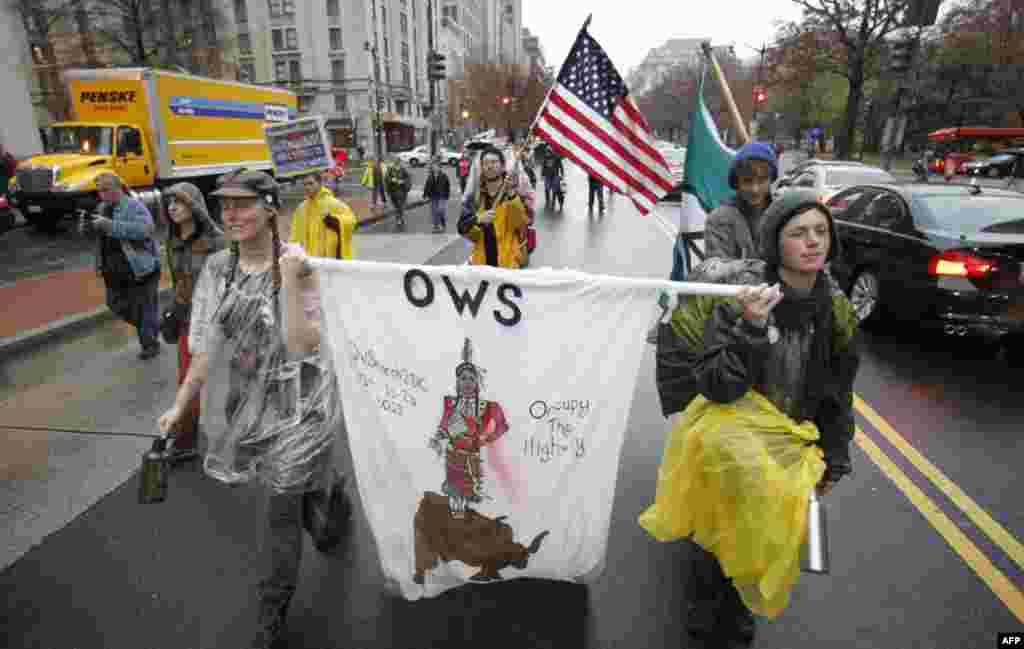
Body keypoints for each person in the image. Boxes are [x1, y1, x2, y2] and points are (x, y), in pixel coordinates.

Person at [641, 189, 860, 648]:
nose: (813, 242)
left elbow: (837, 392)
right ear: (775, 242)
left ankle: (737, 613)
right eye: (799, 233)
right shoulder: (741, 298)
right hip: (728, 443)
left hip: (788, 444)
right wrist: (751, 329)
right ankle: (705, 620)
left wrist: (834, 455)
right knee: (718, 537)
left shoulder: (836, 308)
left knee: (761, 537)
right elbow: (718, 384)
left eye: (821, 232)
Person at [157, 169, 351, 649]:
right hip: (253, 405)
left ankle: (272, 610)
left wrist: (288, 283)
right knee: (294, 493)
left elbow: (305, 345)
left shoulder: (298, 265)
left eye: (244, 204)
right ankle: (329, 503)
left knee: (278, 508)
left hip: (303, 406)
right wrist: (181, 404)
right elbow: (205, 344)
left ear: (269, 208)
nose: (232, 214)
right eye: (226, 205)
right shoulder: (219, 270)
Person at [163, 182, 225, 463]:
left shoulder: (216, 241)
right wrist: (172, 312)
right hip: (188, 322)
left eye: (179, 202)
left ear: (194, 205)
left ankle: (238, 439)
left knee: (228, 381)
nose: (172, 207)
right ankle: (186, 441)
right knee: (187, 381)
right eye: (169, 203)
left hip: (216, 321)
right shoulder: (172, 240)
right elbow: (179, 282)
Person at [81, 172, 162, 359]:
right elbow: (100, 239)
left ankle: (150, 344)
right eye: (99, 190)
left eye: (106, 190)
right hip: (113, 269)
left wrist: (110, 225)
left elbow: (146, 230)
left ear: (118, 188)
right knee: (115, 303)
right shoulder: (102, 207)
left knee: (145, 307)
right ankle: (152, 326)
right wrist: (87, 228)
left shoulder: (133, 206)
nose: (102, 194)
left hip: (141, 268)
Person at [458, 146, 529, 268]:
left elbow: (521, 226)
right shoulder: (475, 198)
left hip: (507, 267)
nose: (489, 166)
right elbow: (464, 231)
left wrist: (511, 194)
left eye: (494, 162)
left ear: (502, 166)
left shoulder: (514, 195)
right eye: (485, 163)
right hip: (482, 267)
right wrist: (478, 220)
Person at [704, 142, 779, 260]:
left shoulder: (783, 214)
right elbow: (717, 271)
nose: (755, 189)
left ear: (771, 179)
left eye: (762, 180)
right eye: (747, 181)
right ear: (736, 182)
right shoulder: (719, 220)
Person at [289, 172, 357, 260]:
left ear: (320, 183)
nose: (307, 187)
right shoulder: (301, 208)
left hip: (329, 258)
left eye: (311, 183)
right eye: (305, 184)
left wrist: (334, 220)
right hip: (309, 259)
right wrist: (291, 250)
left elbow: (351, 221)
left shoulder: (332, 203)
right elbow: (295, 232)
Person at [423, 158, 452, 233]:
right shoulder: (430, 176)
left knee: (440, 210)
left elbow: (447, 186)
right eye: (433, 166)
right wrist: (425, 195)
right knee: (434, 211)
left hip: (442, 196)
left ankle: (442, 224)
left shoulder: (444, 176)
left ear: (439, 167)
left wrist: (447, 195)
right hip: (433, 196)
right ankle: (436, 227)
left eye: (436, 166)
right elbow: (427, 186)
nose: (435, 168)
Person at [384, 157, 411, 228]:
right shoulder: (390, 169)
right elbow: (386, 178)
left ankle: (399, 218)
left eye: (397, 162)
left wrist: (403, 181)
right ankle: (399, 217)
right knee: (396, 206)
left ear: (399, 162)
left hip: (402, 191)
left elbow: (408, 178)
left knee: (400, 205)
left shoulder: (403, 169)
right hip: (393, 191)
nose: (396, 163)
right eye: (395, 162)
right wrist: (392, 180)